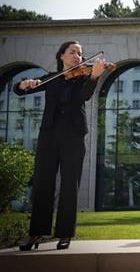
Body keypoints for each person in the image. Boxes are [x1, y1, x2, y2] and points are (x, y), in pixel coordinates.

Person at [16, 41, 107, 250]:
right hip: (49, 135)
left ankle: (65, 234)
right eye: (72, 52)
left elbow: (85, 96)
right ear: (62, 56)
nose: (77, 56)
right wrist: (23, 84)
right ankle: (36, 233)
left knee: (69, 185)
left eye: (80, 53)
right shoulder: (51, 78)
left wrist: (95, 76)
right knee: (42, 184)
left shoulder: (84, 77)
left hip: (73, 136)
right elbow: (19, 90)